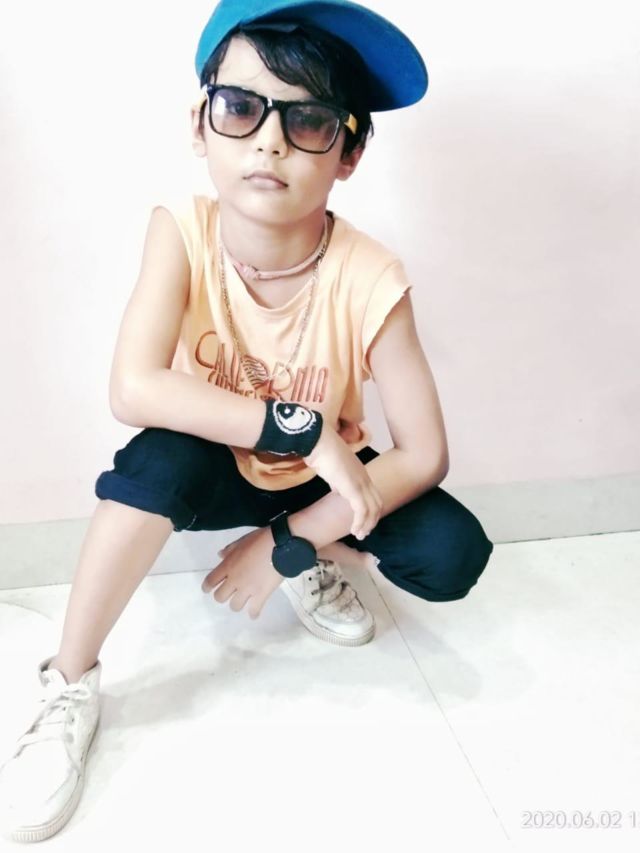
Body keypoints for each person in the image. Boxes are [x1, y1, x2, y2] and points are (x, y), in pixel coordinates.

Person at [0, 0, 494, 842]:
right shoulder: (181, 231)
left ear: (349, 153)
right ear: (201, 125)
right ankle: (70, 679)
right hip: (222, 460)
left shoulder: (372, 274)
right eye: (241, 107)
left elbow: (425, 452)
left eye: (309, 120)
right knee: (150, 464)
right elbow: (134, 387)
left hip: (317, 483)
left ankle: (311, 561)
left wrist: (289, 541)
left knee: (452, 551)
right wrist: (303, 427)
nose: (269, 141)